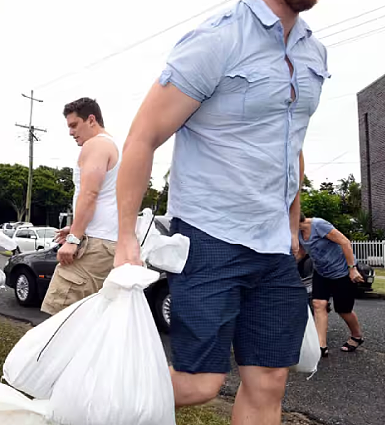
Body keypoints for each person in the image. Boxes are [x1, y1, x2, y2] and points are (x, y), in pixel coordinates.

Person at [113, 0, 326, 424]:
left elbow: (291, 143)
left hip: (273, 247)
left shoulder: (313, 53)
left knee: (269, 381)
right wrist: (124, 236)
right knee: (200, 383)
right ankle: (89, 399)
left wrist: (290, 226)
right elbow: (143, 135)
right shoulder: (218, 38)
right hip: (210, 235)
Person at [40, 98, 120, 316]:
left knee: (59, 320)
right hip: (109, 243)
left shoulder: (96, 144)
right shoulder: (114, 146)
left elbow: (90, 193)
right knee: (87, 323)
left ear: (91, 119)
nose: (70, 132)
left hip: (95, 245)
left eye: (74, 125)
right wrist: (77, 227)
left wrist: (74, 238)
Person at [297, 212, 364, 357]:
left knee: (343, 310)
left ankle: (356, 336)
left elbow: (345, 242)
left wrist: (352, 269)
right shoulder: (297, 232)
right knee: (318, 304)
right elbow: (301, 253)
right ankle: (321, 346)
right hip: (321, 272)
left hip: (342, 272)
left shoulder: (319, 225)